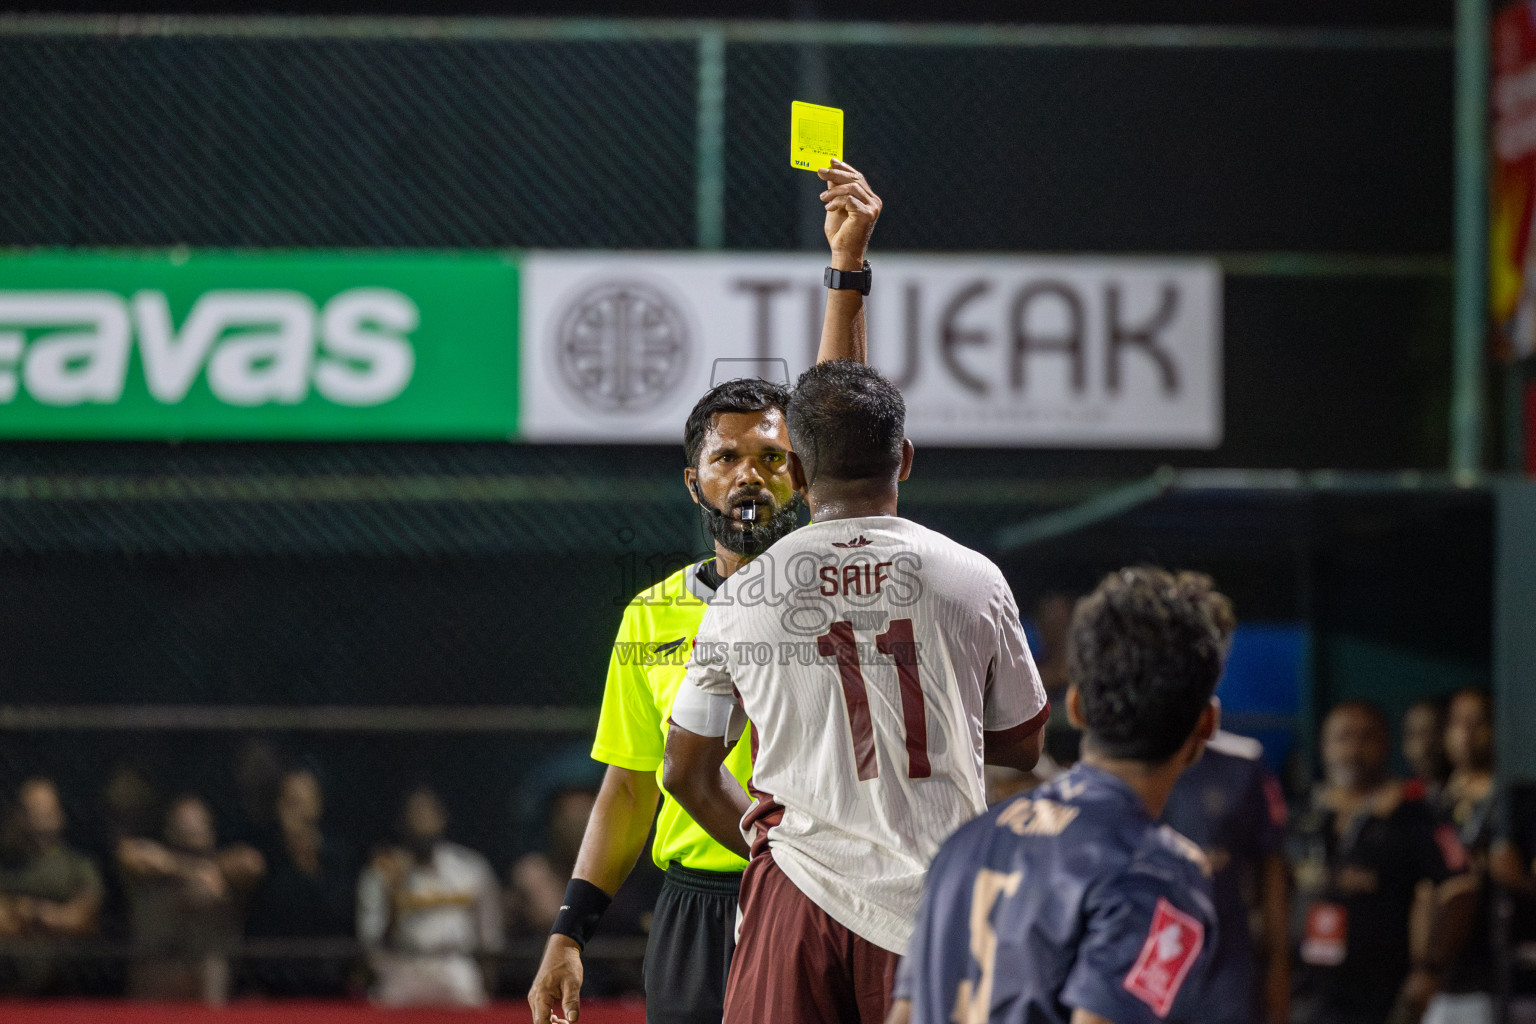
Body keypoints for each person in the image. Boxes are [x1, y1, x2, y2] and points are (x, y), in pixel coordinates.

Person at [527, 159, 883, 1024]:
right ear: (695, 482)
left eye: (771, 456)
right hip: (694, 906)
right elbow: (630, 786)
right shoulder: (649, 614)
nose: (748, 473)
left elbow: (841, 411)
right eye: (726, 457)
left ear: (804, 475)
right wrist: (570, 929)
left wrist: (846, 272)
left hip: (820, 890)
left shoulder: (834, 577)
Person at [665, 360, 1049, 1024]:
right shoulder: (974, 578)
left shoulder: (743, 595)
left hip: (797, 899)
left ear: (797, 472)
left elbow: (684, 771)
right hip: (934, 901)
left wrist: (772, 847)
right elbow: (1023, 744)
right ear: (905, 458)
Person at [888, 567, 1228, 1024]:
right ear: (1207, 724)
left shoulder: (966, 845)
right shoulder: (1158, 874)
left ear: (1076, 706)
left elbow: (904, 1015)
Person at [1286, 701, 1477, 1024]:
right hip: (1303, 994)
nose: (1354, 748)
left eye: (1366, 736)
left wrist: (1431, 969)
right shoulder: (1301, 814)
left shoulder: (1414, 813)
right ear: (1324, 745)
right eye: (1343, 737)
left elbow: (1462, 887)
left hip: (1380, 995)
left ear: (1387, 743)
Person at [1161, 731, 1291, 1024]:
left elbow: (1272, 868)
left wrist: (1279, 969)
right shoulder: (1119, 767)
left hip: (1226, 967)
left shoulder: (1242, 766)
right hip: (1143, 964)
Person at [357, 784, 503, 1008]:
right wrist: (393, 895)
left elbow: (490, 936)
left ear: (442, 818)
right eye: (415, 814)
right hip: (403, 969)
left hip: (457, 967)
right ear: (402, 822)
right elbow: (371, 944)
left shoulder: (470, 868)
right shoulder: (382, 873)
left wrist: (489, 984)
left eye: (428, 813)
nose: (422, 821)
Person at [118, 793, 266, 1003]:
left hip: (206, 981)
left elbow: (252, 864)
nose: (194, 828)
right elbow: (130, 854)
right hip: (159, 974)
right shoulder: (157, 868)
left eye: (199, 822)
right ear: (171, 829)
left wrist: (212, 872)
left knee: (214, 966)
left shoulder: (223, 868)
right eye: (186, 823)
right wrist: (189, 871)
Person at [244, 767, 359, 997]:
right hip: (275, 989)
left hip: (331, 987)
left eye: (304, 801)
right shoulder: (263, 856)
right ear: (279, 806)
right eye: (291, 801)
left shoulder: (341, 857)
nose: (298, 810)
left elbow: (342, 912)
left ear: (318, 804)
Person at [1424, 689, 1497, 1024]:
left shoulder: (1508, 801)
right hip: (1433, 974)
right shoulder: (1430, 800)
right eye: (1457, 723)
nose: (1466, 734)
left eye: (1478, 722)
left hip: (1487, 973)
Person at [0, 778, 104, 994]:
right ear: (20, 815)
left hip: (61, 984)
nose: (41, 814)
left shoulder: (78, 866)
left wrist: (34, 913)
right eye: (33, 808)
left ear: (60, 813)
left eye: (47, 808)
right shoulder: (7, 865)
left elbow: (84, 919)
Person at [1403, 699, 1451, 803]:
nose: (1423, 746)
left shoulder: (1466, 789)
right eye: (1412, 734)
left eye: (1428, 734)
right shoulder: (1405, 796)